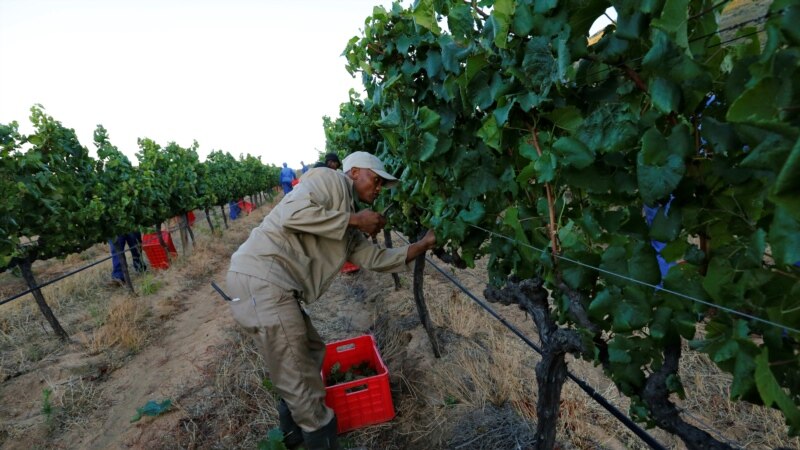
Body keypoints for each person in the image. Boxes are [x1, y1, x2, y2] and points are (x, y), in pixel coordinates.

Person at [225, 151, 436, 449]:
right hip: (262, 280)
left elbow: (376, 258)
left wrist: (422, 245)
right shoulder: (329, 180)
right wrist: (356, 219)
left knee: (310, 353)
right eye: (375, 180)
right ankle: (315, 435)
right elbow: (291, 214)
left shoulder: (348, 228)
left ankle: (293, 436)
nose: (377, 189)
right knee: (298, 377)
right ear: (353, 173)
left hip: (272, 286)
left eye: (381, 186)